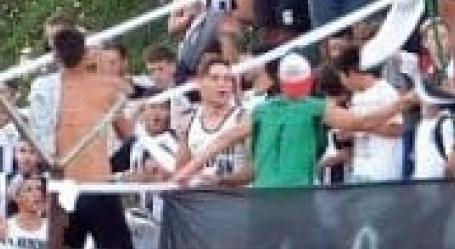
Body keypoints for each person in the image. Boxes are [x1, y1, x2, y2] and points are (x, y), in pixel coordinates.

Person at [28, 26, 135, 249]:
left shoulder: (45, 88)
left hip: (62, 187)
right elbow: (126, 130)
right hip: (95, 185)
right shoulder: (106, 86)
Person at [174, 53, 416, 188]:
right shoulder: (316, 108)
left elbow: (223, 138)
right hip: (298, 198)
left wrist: (187, 171)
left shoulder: (260, 110)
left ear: (280, 81)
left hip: (263, 198)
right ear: (309, 81)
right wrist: (401, 103)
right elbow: (360, 123)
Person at [174, 55, 252, 187]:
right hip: (203, 201)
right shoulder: (189, 122)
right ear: (199, 83)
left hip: (238, 201)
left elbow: (254, 169)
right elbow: (180, 173)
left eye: (227, 79)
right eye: (215, 78)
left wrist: (222, 180)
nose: (223, 84)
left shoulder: (243, 117)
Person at [334, 46, 407, 183]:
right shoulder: (356, 97)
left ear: (351, 73)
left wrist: (360, 127)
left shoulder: (386, 91)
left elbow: (397, 129)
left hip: (384, 172)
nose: (343, 83)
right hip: (360, 170)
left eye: (342, 77)